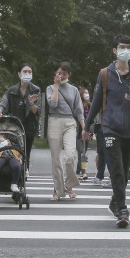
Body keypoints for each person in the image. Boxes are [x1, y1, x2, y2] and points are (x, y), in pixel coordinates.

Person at [83, 34, 130, 228]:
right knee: (116, 170)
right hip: (110, 128)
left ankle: (114, 202)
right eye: (121, 47)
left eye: (128, 47)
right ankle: (123, 210)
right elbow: (95, 103)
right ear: (114, 51)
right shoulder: (105, 74)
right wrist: (87, 126)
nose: (125, 50)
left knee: (125, 173)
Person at [45, 62, 83, 201]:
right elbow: (53, 104)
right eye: (59, 73)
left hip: (69, 123)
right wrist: (56, 86)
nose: (61, 76)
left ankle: (69, 185)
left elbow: (79, 111)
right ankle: (58, 190)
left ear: (69, 75)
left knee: (70, 155)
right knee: (56, 159)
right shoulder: (50, 88)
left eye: (64, 74)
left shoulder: (74, 90)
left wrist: (84, 127)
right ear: (55, 74)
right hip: (54, 121)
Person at [0, 64, 41, 167]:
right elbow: (3, 104)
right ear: (19, 74)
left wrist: (31, 103)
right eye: (25, 71)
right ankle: (13, 168)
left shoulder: (36, 90)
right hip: (14, 126)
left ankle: (25, 169)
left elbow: (37, 111)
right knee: (14, 148)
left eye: (30, 72)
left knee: (27, 150)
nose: (27, 74)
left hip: (29, 126)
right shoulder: (11, 90)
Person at [77, 88, 92, 180]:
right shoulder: (78, 105)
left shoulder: (90, 106)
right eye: (85, 93)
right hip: (78, 132)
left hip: (87, 132)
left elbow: (92, 120)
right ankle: (82, 172)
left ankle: (79, 172)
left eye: (87, 92)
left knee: (84, 154)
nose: (87, 94)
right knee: (81, 152)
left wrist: (91, 132)